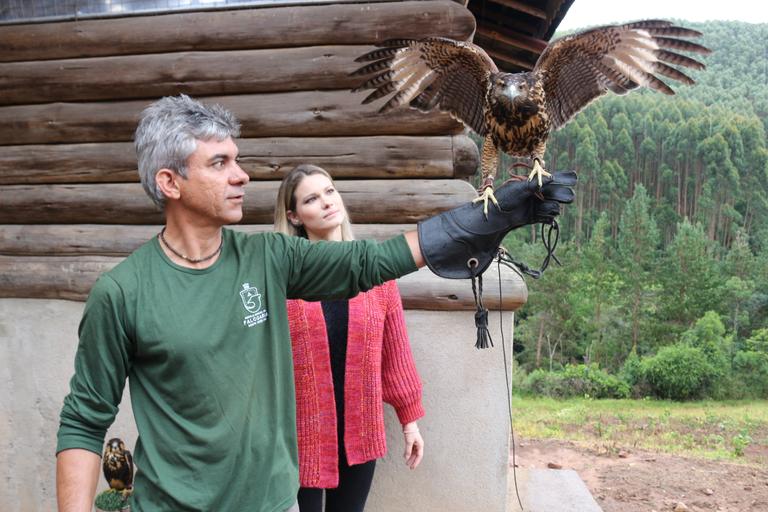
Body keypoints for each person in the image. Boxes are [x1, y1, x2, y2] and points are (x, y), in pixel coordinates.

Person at [55, 94, 574, 512]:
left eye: (238, 160)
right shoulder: (122, 292)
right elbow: (84, 421)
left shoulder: (269, 257)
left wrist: (482, 222)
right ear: (170, 182)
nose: (242, 176)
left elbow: (368, 265)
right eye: (220, 163)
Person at [275, 164, 425, 512]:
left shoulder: (376, 274)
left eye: (330, 191)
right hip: (299, 439)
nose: (327, 202)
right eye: (312, 198)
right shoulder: (282, 281)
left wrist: (410, 423)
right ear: (294, 216)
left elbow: (396, 356)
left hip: (361, 433)